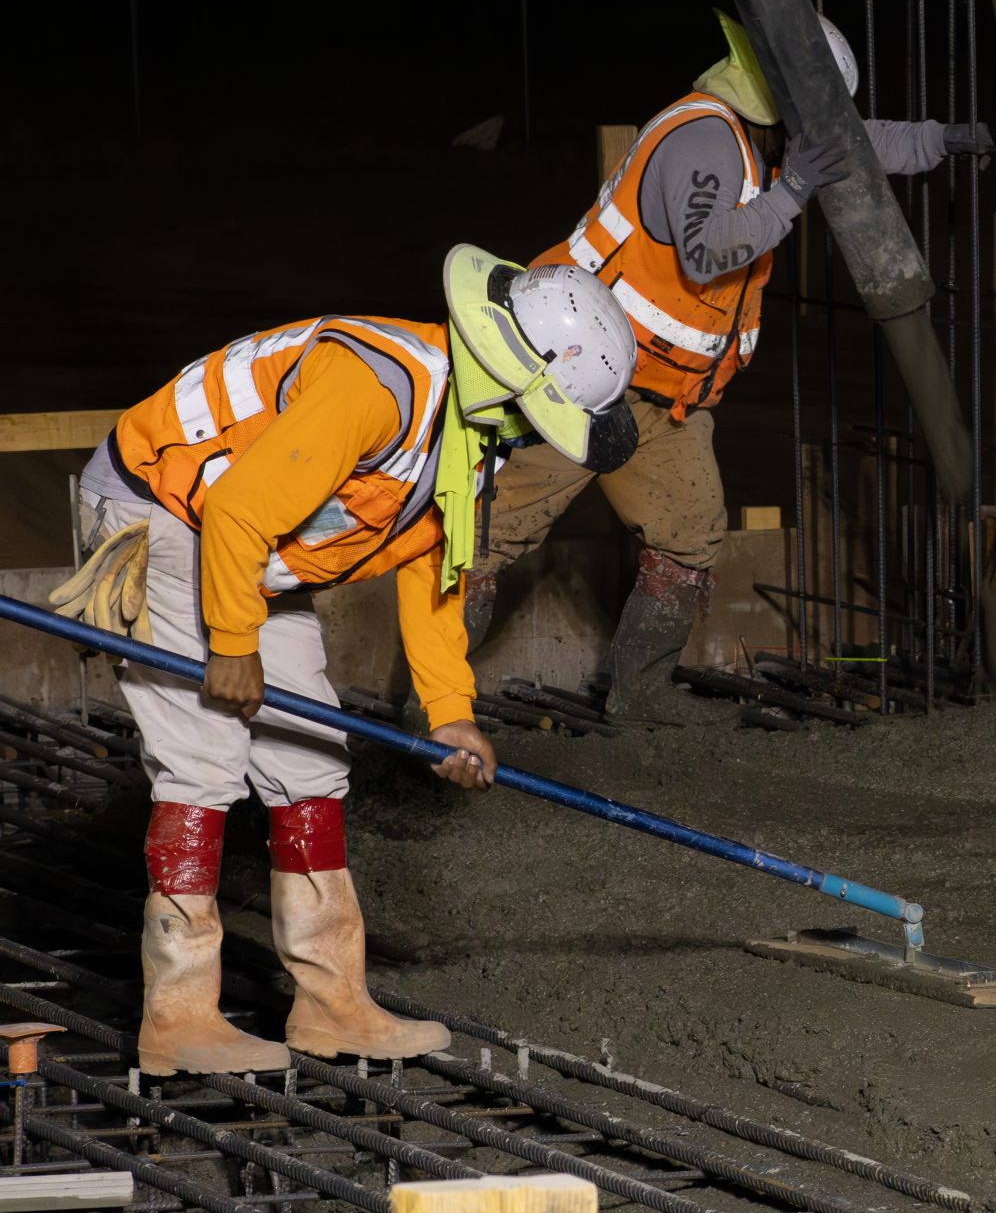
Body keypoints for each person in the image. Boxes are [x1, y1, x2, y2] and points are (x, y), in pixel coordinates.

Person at [55, 247, 636, 1073]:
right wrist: (233, 642)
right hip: (166, 506)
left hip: (254, 545)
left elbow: (434, 566)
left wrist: (450, 712)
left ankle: (331, 1004)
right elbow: (237, 510)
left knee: (312, 759)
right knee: (205, 756)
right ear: (520, 383)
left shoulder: (471, 433)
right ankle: (177, 1017)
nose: (543, 440)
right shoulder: (375, 388)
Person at [474, 10, 991, 718]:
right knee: (492, 531)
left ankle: (641, 699)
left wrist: (940, 140)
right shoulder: (704, 140)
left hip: (662, 394)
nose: (822, 129)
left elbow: (851, 144)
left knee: (690, 533)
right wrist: (792, 191)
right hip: (575, 376)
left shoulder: (761, 136)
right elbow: (707, 250)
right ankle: (431, 706)